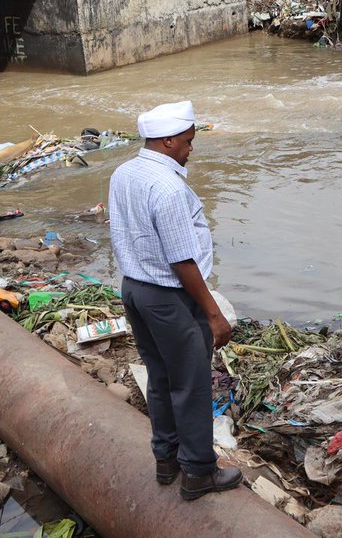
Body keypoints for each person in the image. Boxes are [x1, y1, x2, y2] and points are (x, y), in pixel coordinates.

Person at [108, 100, 241, 501]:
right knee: (191, 384)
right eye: (187, 141)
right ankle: (199, 472)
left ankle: (165, 462)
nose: (190, 148)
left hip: (135, 289)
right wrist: (213, 314)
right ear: (168, 140)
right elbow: (182, 259)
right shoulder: (167, 187)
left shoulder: (125, 171)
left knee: (161, 379)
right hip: (170, 297)